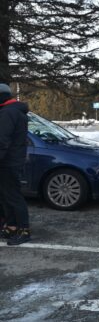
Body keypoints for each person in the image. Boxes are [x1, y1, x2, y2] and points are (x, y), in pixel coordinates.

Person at [0, 83, 30, 245]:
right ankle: (11, 226)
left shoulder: (7, 113)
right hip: (12, 161)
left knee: (13, 197)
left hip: (8, 162)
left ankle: (24, 230)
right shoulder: (14, 111)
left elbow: (2, 141)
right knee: (6, 196)